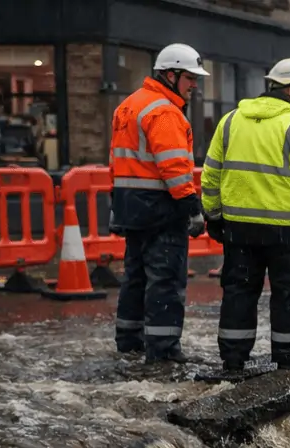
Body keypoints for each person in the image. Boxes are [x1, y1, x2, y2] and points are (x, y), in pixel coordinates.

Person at [200, 58, 290, 372]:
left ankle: (233, 361)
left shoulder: (231, 121)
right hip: (288, 233)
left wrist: (214, 216)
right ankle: (288, 359)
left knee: (238, 291)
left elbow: (210, 176)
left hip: (240, 229)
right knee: (289, 293)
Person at [109, 43, 209, 363]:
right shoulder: (164, 110)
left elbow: (121, 162)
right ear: (170, 75)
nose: (194, 84)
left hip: (131, 206)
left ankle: (129, 341)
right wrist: (191, 207)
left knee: (135, 276)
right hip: (160, 208)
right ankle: (163, 351)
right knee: (165, 279)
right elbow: (174, 166)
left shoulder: (128, 105)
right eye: (189, 78)